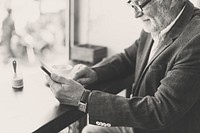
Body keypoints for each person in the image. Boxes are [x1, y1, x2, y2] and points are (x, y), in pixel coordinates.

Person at [46, 0, 200, 133]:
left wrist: (83, 98)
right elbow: (129, 58)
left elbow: (160, 111)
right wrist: (95, 72)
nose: (136, 15)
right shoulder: (159, 20)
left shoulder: (195, 40)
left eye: (140, 5)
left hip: (166, 128)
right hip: (142, 126)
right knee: (90, 130)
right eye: (132, 4)